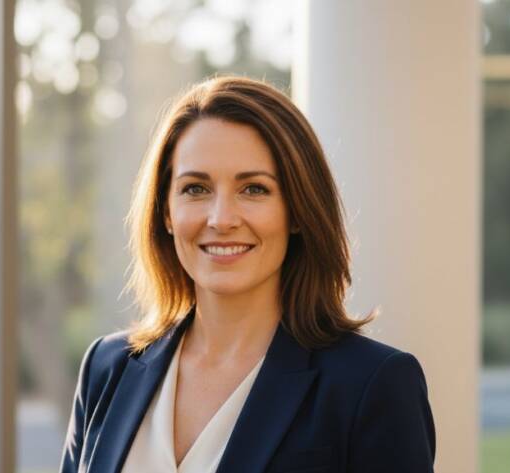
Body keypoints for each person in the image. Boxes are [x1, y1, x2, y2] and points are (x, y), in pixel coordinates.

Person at [60, 76, 435, 473]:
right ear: (166, 211)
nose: (221, 219)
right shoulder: (107, 367)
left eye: (254, 189)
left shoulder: (372, 385)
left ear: (297, 211)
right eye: (196, 188)